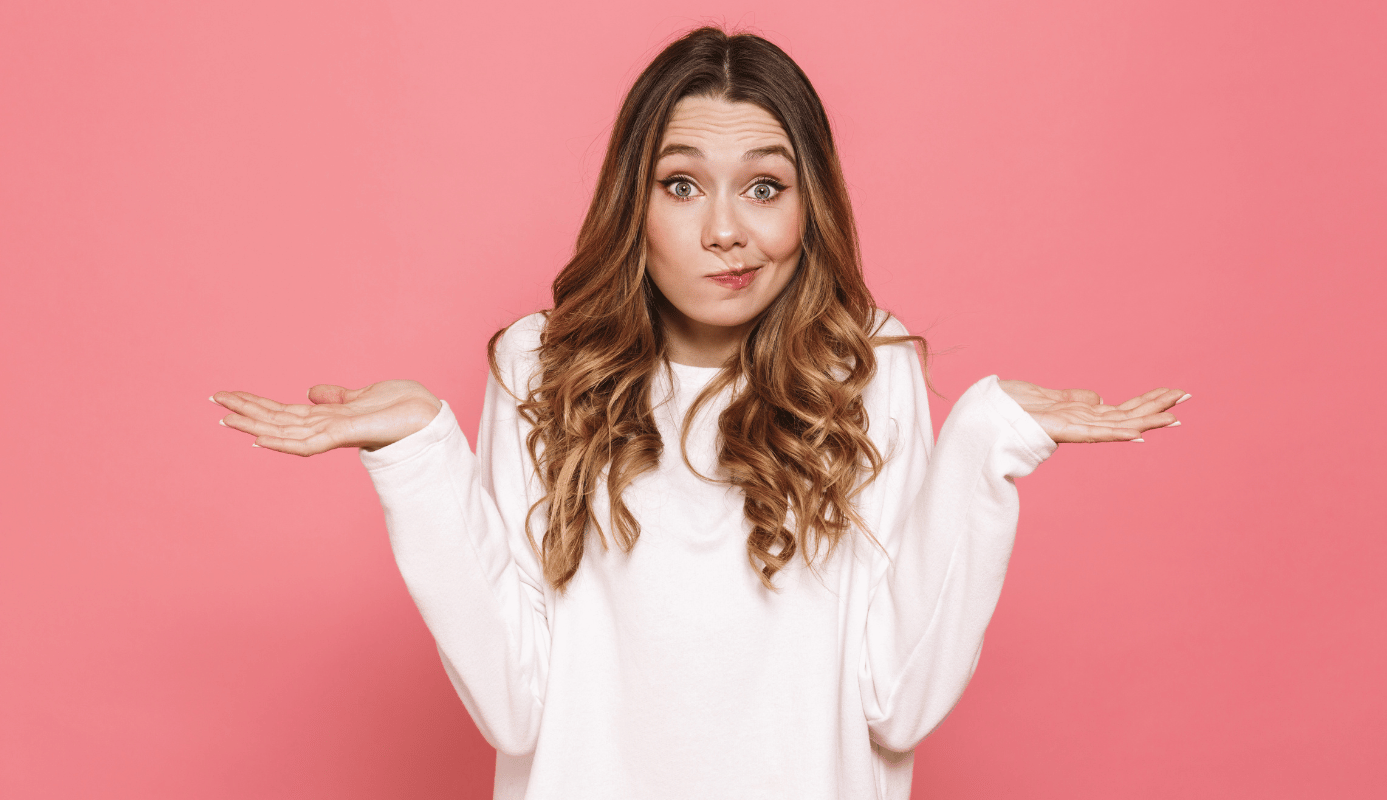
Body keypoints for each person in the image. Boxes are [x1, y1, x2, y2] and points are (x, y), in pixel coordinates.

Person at [212, 27, 1185, 800]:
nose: (726, 229)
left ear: (810, 208)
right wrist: (421, 457)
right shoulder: (537, 366)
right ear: (632, 201)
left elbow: (898, 699)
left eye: (764, 187)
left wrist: (981, 447)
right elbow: (514, 706)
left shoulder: (867, 372)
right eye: (682, 185)